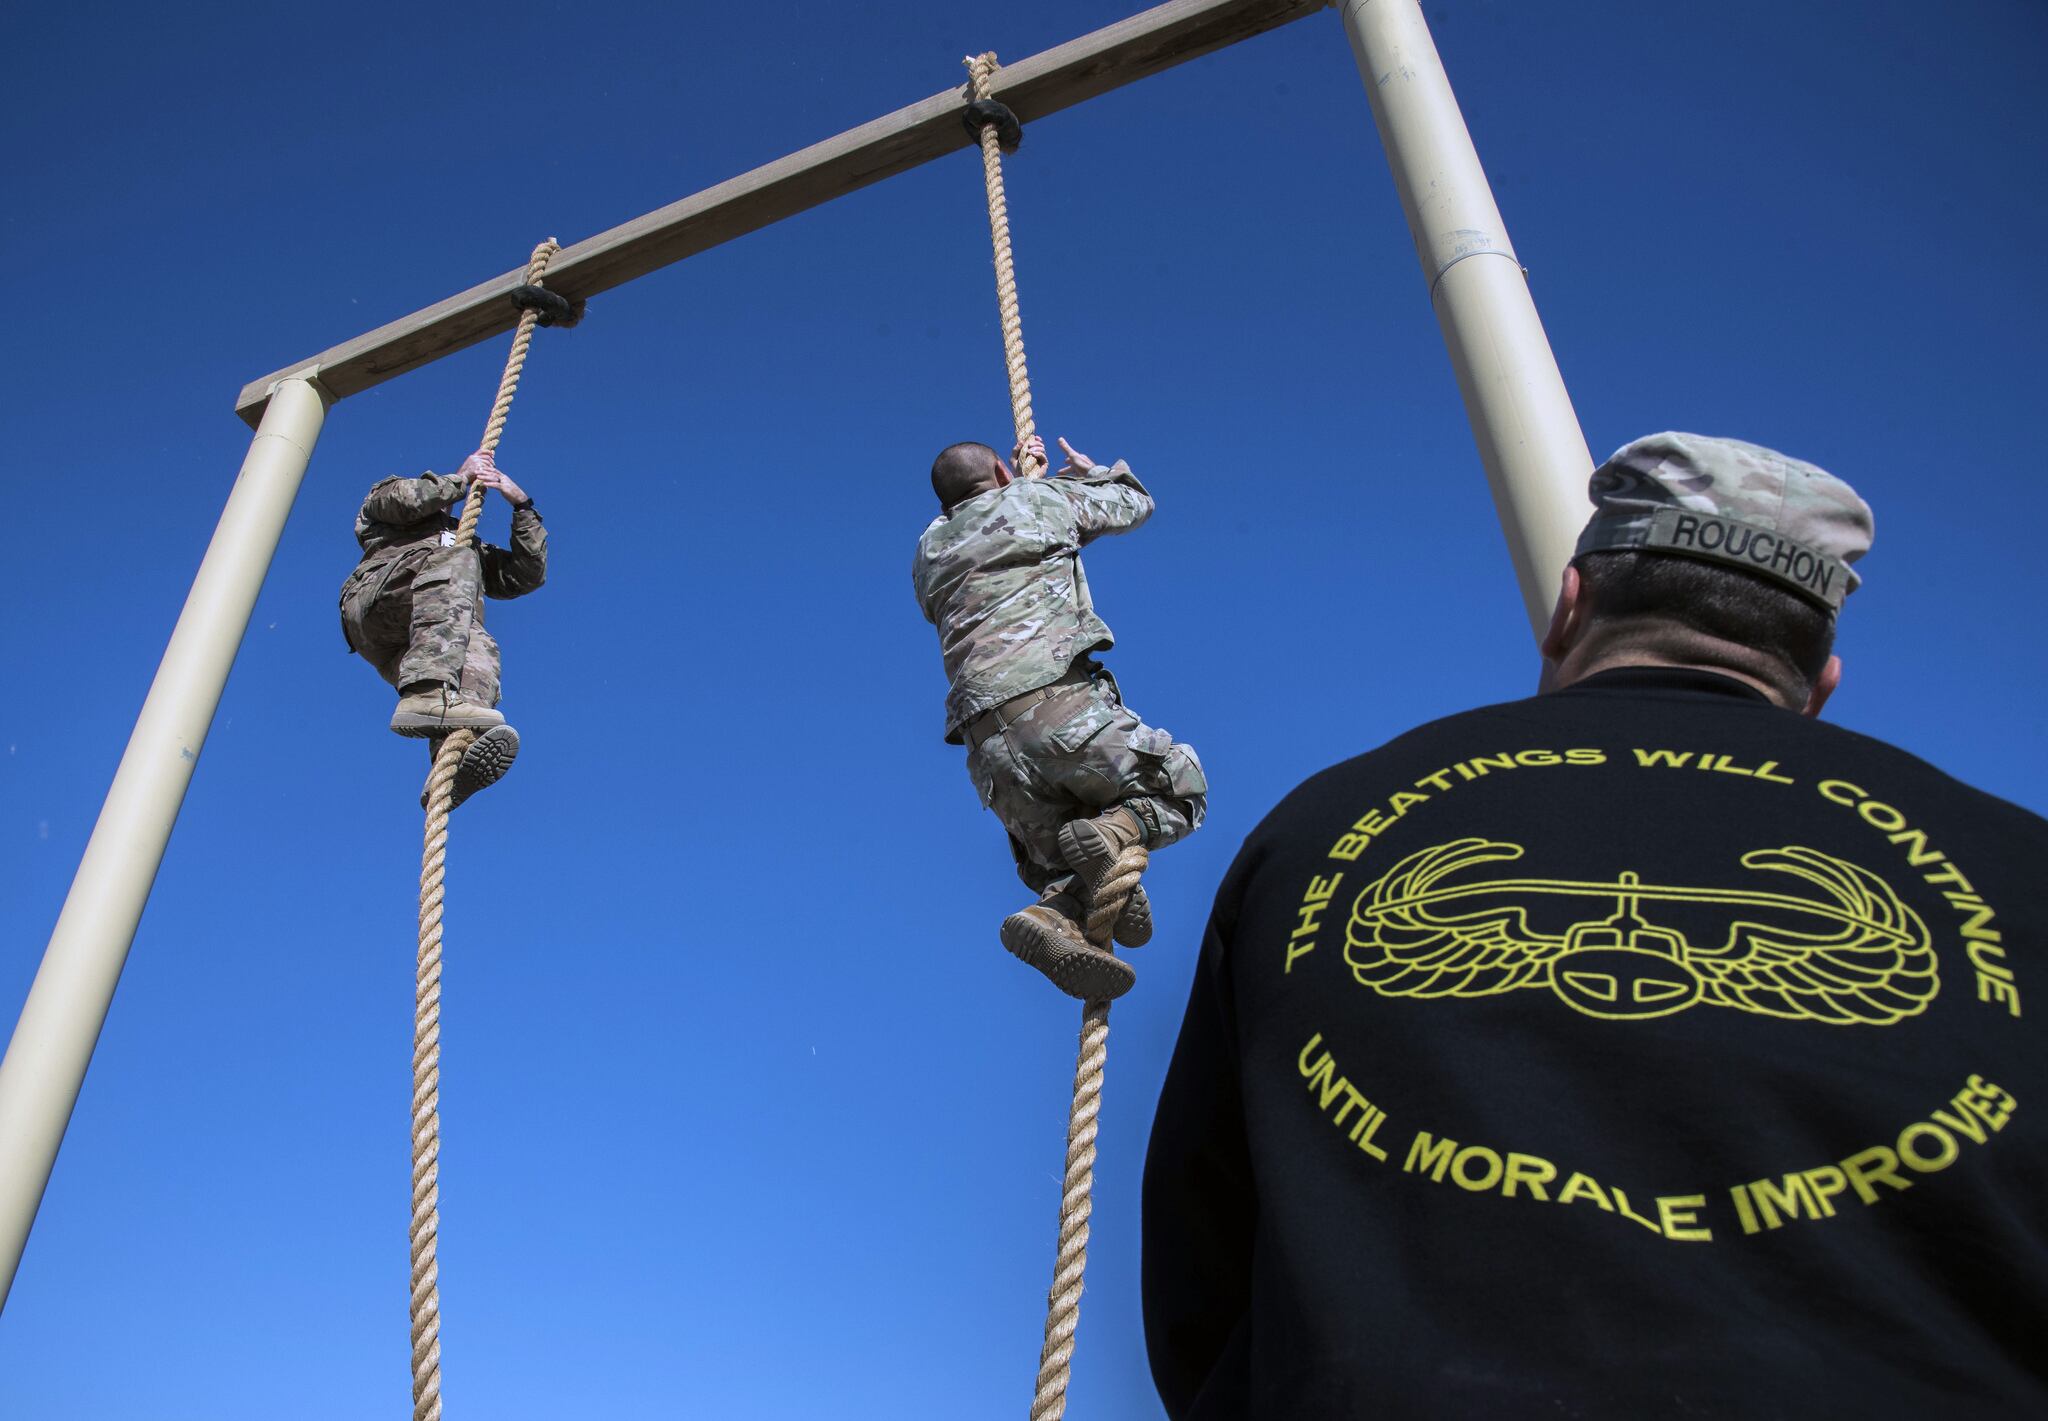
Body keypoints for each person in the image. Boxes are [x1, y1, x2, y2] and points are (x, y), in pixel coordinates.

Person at [1142, 433, 2047, 1417]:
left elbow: (1205, 1259)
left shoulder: (1327, 826)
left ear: (1568, 605)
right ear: (1822, 676)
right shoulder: (2017, 863)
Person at [913, 433, 1208, 1001]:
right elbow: (1133, 504)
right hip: (1056, 710)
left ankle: (1055, 915)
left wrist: (1023, 484)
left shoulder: (927, 555)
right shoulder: (1037, 501)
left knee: (1062, 872)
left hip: (989, 753)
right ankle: (1112, 835)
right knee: (1180, 786)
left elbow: (985, 529)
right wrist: (1088, 473)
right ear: (1003, 473)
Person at [340, 449, 547, 809]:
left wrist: (522, 507)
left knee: (479, 647)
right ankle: (426, 693)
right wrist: (461, 479)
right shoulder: (386, 502)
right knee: (457, 560)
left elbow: (524, 575)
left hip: (421, 641)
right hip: (379, 606)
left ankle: (450, 762)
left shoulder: (466, 544)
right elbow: (407, 499)